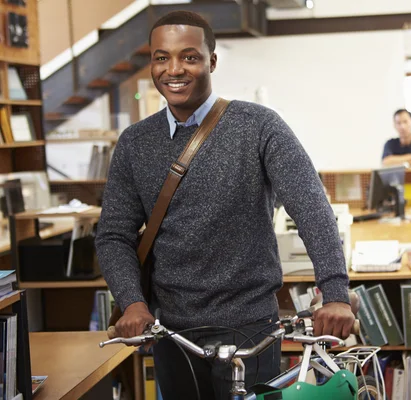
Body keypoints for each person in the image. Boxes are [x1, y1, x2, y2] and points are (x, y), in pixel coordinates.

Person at [95, 10, 355, 399]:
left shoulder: (259, 126)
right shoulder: (134, 143)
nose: (174, 69)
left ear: (211, 61)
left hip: (251, 328)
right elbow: (114, 234)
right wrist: (132, 303)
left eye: (189, 56)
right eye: (161, 57)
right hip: (173, 332)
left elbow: (311, 208)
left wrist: (334, 292)